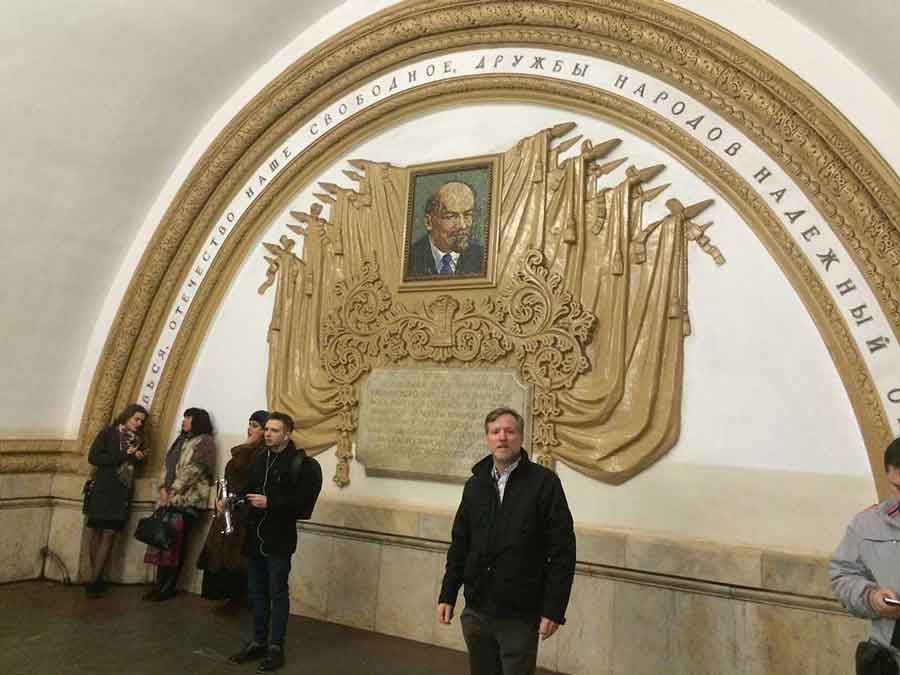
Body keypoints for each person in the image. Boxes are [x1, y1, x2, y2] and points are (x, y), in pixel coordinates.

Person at [437, 407, 576, 675]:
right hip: (477, 611)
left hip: (519, 615)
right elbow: (460, 544)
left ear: (521, 437)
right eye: (495, 432)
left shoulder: (544, 484)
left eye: (510, 431)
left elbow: (562, 552)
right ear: (487, 438)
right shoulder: (475, 485)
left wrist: (554, 609)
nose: (502, 437)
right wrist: (448, 593)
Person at [229, 411, 307, 673]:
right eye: (267, 429)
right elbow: (247, 487)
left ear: (287, 434)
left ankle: (276, 646)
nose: (268, 433)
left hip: (279, 539)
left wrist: (271, 503)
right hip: (254, 536)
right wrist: (231, 500)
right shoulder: (260, 457)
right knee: (257, 592)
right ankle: (258, 641)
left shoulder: (300, 463)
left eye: (274, 430)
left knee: (277, 593)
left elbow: (303, 505)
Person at [831, 437, 900, 672]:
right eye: (898, 487)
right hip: (888, 661)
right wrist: (871, 598)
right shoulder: (867, 524)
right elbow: (842, 576)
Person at [197, 409, 269, 610]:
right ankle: (229, 596)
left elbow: (245, 477)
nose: (250, 429)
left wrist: (246, 447)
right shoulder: (245, 451)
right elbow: (228, 480)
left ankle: (240, 598)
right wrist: (220, 500)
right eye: (250, 424)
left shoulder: (260, 454)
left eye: (255, 425)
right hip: (230, 511)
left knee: (237, 558)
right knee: (222, 554)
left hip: (244, 514)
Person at [143, 407, 216, 601]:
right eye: (184, 417)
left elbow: (194, 470)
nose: (183, 421)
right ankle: (158, 585)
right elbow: (167, 466)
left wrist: (173, 490)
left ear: (197, 421)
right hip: (169, 499)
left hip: (187, 502)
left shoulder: (205, 442)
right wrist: (162, 488)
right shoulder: (180, 440)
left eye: (188, 418)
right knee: (162, 543)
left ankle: (168, 586)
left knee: (177, 545)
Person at [84, 403, 149, 598]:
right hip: (103, 488)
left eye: (141, 421)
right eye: (136, 419)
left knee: (110, 534)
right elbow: (94, 457)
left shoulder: (139, 439)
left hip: (121, 492)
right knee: (96, 532)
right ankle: (94, 578)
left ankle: (96, 578)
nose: (138, 424)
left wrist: (138, 457)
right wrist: (124, 454)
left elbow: (135, 464)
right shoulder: (109, 433)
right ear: (127, 416)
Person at [407, 181, 485, 277]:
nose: (463, 225)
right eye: (451, 216)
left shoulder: (483, 258)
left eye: (467, 215)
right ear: (428, 222)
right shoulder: (408, 259)